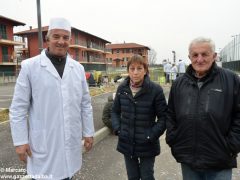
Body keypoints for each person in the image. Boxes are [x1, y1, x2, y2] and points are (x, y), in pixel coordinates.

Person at [10, 17, 95, 180]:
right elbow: (18, 108)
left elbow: (85, 104)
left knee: (67, 175)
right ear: (47, 39)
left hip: (70, 142)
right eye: (56, 36)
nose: (61, 41)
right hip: (44, 144)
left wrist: (88, 132)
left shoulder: (78, 69)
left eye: (65, 37)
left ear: (69, 40)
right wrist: (20, 141)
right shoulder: (30, 67)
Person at [166, 37, 240, 180]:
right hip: (188, 160)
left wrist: (232, 145)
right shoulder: (179, 84)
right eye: (195, 55)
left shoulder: (231, 80)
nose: (199, 59)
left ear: (214, 56)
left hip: (220, 160)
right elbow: (171, 114)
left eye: (204, 54)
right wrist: (173, 138)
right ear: (189, 57)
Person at [111, 54, 167, 180]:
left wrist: (151, 135)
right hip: (127, 142)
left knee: (147, 176)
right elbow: (114, 111)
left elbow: (163, 118)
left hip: (147, 144)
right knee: (132, 176)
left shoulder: (155, 90)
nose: (135, 72)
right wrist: (118, 129)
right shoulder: (122, 89)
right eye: (132, 68)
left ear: (145, 70)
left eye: (139, 68)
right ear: (128, 71)